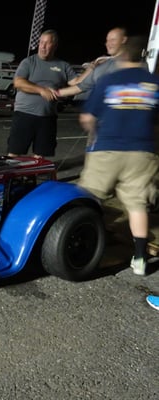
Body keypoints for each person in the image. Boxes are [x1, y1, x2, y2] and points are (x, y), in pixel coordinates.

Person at [77, 35, 159, 276]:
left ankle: (84, 242)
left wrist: (93, 132)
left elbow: (87, 117)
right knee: (136, 205)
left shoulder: (109, 80)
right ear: (143, 55)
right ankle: (141, 258)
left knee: (88, 197)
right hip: (142, 153)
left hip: (108, 149)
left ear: (123, 54)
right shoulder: (154, 83)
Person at [6, 30, 80, 158]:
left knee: (40, 156)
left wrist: (91, 69)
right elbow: (18, 82)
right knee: (14, 153)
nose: (42, 46)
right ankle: (12, 177)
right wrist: (41, 90)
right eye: (41, 42)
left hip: (47, 118)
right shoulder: (29, 62)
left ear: (55, 46)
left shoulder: (63, 65)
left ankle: (36, 176)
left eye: (47, 43)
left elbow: (77, 82)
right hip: (24, 114)